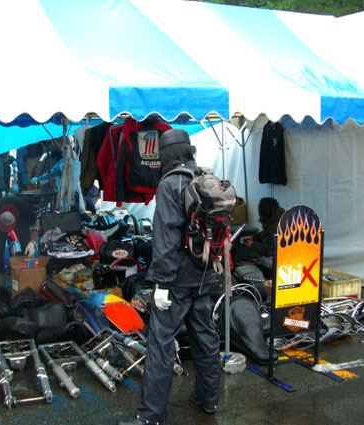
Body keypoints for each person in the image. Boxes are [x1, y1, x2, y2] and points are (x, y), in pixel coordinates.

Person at [120, 129, 221, 425]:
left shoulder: (170, 183)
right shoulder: (204, 176)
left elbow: (165, 238)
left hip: (176, 281)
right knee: (205, 337)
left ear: (165, 155)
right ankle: (208, 399)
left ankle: (150, 416)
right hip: (204, 274)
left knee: (160, 345)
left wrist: (161, 284)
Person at [0, 193, 39, 285]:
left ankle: (25, 276)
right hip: (1, 219)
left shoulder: (24, 211)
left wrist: (32, 242)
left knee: (25, 245)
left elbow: (36, 223)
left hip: (20, 218)